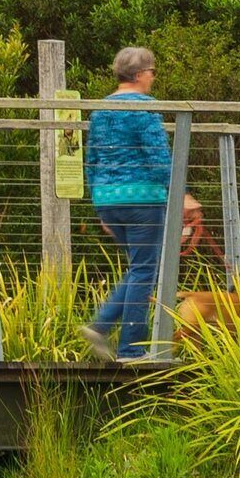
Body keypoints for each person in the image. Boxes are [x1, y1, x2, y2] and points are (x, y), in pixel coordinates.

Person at [83, 47, 176, 362]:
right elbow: (159, 156)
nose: (153, 77)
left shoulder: (99, 111)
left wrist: (100, 206)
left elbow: (92, 160)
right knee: (144, 270)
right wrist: (182, 195)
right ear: (138, 75)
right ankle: (129, 348)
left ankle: (103, 326)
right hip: (142, 199)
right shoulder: (144, 109)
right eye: (151, 71)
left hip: (109, 200)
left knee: (138, 268)